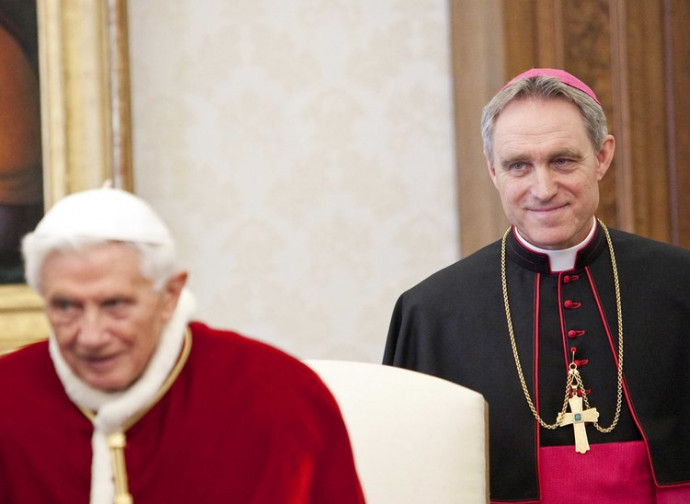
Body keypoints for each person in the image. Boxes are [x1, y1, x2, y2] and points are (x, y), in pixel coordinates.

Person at [384, 68, 690, 503]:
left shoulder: (680, 285)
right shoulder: (431, 312)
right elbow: (411, 477)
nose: (543, 188)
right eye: (518, 166)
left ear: (602, 157)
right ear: (493, 171)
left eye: (563, 160)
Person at [0, 187, 365, 504]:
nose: (91, 336)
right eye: (66, 306)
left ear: (170, 296)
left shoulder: (281, 397)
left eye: (115, 305)